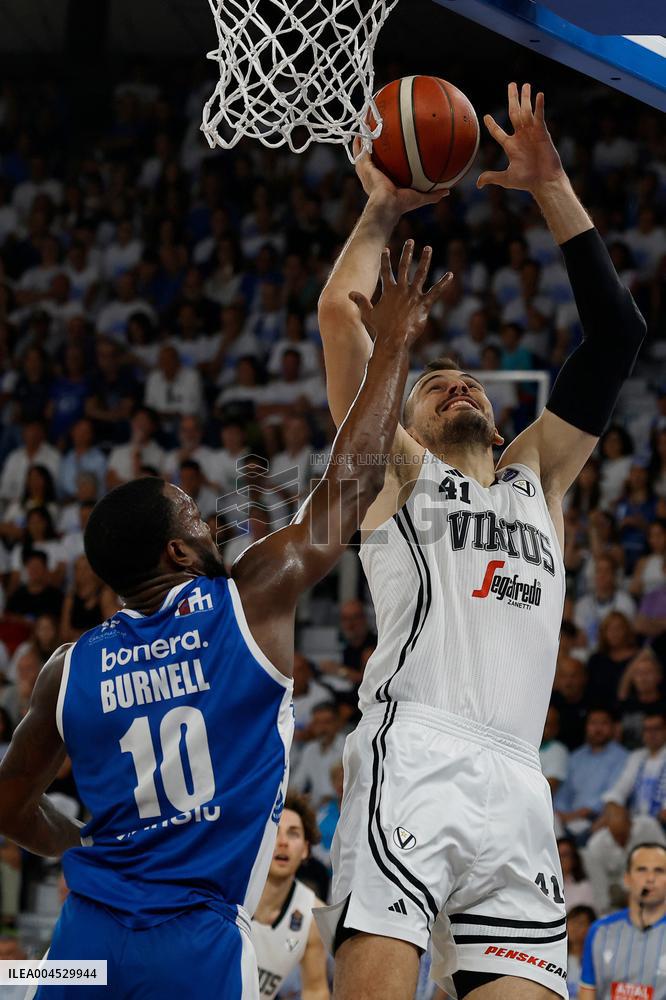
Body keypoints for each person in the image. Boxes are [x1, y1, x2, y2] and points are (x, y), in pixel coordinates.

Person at [0, 243, 450, 998]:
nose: (211, 523)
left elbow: (9, 804)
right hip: (198, 941)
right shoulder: (247, 602)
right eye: (193, 517)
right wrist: (396, 342)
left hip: (84, 944)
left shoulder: (66, 669)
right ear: (177, 552)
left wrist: (85, 850)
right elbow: (353, 481)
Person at [315, 82, 647, 1000]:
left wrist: (551, 186)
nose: (455, 385)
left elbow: (616, 335)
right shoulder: (401, 471)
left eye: (468, 382)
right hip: (415, 751)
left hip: (519, 781)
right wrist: (381, 210)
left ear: (502, 420)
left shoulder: (538, 476)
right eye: (433, 386)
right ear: (409, 418)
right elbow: (341, 316)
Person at [252, 794, 329, 1000]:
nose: (283, 842)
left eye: (293, 833)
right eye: (275, 831)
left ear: (305, 849)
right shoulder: (232, 892)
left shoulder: (312, 917)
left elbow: (315, 991)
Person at [579, 843, 666, 999]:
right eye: (642, 870)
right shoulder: (599, 931)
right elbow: (587, 992)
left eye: (659, 870)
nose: (650, 878)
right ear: (627, 878)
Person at [553, 709, 628, 841]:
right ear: (586, 727)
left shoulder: (622, 757)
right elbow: (564, 793)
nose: (598, 729)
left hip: (600, 819)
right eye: (593, 723)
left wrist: (585, 811)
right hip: (569, 818)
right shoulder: (576, 757)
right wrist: (563, 813)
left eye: (604, 723)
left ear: (613, 727)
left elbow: (614, 793)